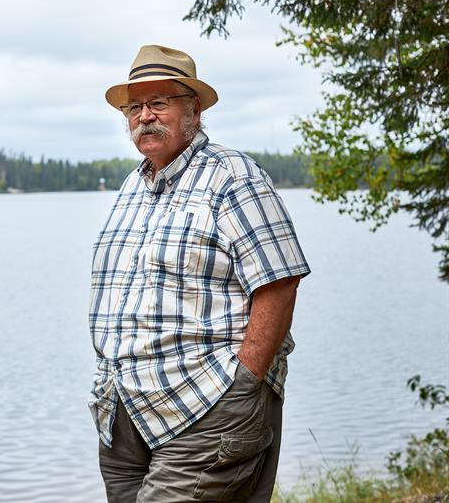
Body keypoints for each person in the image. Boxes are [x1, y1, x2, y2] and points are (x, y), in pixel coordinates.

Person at [89, 44, 311, 503]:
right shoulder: (135, 184)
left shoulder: (233, 176)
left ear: (193, 109)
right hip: (127, 416)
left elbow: (280, 281)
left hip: (207, 404)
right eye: (135, 106)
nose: (145, 115)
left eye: (159, 103)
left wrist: (244, 383)